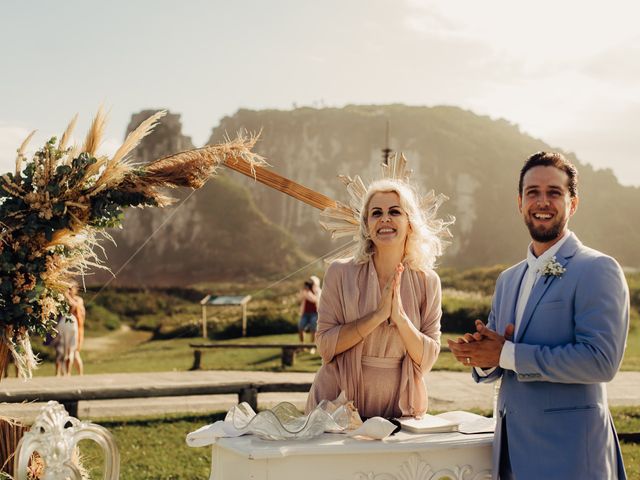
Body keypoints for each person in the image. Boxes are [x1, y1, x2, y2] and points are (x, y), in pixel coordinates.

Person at [448, 152, 628, 479]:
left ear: (573, 204)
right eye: (532, 192)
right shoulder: (507, 279)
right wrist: (483, 357)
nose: (542, 201)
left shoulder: (598, 269)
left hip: (572, 455)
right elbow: (499, 357)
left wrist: (507, 353)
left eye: (554, 193)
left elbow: (600, 361)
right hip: (512, 454)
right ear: (520, 202)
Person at [305, 174, 449, 419]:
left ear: (410, 222)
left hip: (400, 406)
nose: (385, 219)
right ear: (366, 225)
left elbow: (427, 358)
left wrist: (400, 318)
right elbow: (326, 346)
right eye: (376, 213)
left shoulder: (428, 282)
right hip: (337, 403)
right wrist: (378, 315)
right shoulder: (340, 273)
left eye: (394, 211)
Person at [67, 284, 85, 375]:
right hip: (69, 328)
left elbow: (74, 305)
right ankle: (68, 374)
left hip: (77, 328)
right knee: (70, 352)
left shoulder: (78, 299)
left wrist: (66, 295)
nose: (69, 290)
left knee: (75, 352)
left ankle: (79, 374)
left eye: (70, 288)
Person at [298, 276, 321, 347]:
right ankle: (302, 345)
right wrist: (303, 291)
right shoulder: (305, 291)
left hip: (314, 313)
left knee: (313, 329)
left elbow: (316, 300)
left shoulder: (318, 291)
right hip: (305, 313)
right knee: (300, 327)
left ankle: (312, 346)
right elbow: (299, 299)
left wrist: (310, 293)